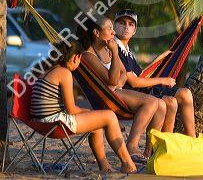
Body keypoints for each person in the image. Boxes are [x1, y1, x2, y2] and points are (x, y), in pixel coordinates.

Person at [30, 39, 137, 174]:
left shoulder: (49, 70)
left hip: (41, 122)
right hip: (54, 123)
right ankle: (128, 164)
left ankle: (105, 167)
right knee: (109, 116)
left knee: (97, 126)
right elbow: (72, 109)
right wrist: (87, 111)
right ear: (76, 57)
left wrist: (89, 113)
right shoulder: (64, 73)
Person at [76, 16, 168, 164]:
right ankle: (131, 145)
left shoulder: (107, 49)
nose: (113, 32)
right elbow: (112, 79)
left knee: (161, 105)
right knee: (151, 102)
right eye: (109, 29)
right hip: (107, 99)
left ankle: (150, 152)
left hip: (115, 92)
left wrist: (116, 81)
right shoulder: (89, 55)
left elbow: (123, 74)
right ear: (96, 33)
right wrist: (116, 60)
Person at [114, 9, 196, 138]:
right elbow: (134, 82)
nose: (126, 27)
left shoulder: (126, 51)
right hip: (133, 95)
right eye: (122, 23)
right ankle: (160, 149)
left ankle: (190, 141)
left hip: (141, 91)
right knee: (175, 100)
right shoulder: (116, 48)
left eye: (131, 24)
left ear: (134, 30)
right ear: (114, 26)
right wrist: (162, 80)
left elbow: (141, 75)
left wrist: (160, 58)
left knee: (183, 95)